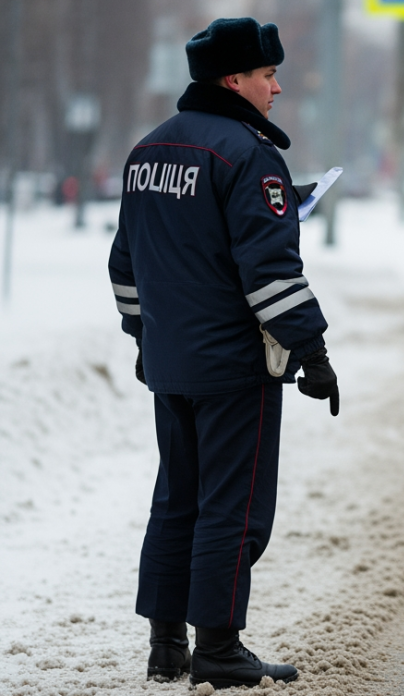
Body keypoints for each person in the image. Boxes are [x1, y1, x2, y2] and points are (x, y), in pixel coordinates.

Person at [108, 17, 339, 689]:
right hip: (236, 365)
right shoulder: (248, 154)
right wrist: (313, 349)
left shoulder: (148, 150)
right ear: (233, 80)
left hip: (171, 361)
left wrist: (144, 336)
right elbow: (269, 272)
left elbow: (127, 264)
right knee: (232, 507)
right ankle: (218, 647)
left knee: (177, 499)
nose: (277, 88)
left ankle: (165, 645)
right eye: (268, 76)